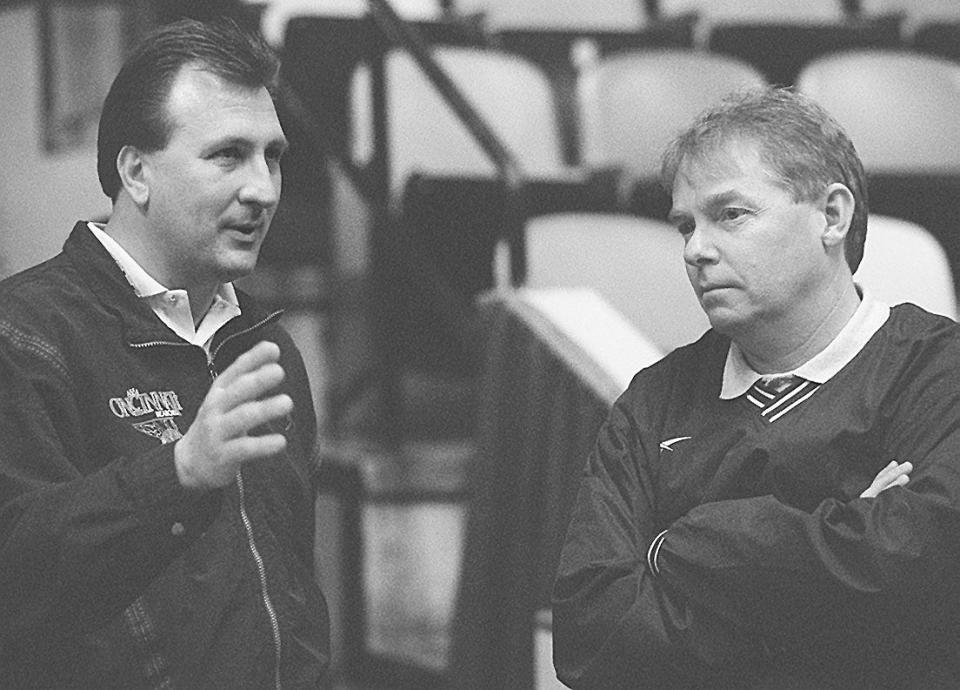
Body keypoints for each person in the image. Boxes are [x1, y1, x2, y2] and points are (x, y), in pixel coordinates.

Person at [552, 86, 960, 689]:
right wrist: (844, 542)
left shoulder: (938, 370)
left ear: (831, 216)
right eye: (685, 225)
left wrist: (681, 544)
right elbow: (592, 635)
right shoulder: (652, 403)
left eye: (730, 215)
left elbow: (925, 575)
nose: (696, 249)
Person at [0, 18, 329, 687]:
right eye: (228, 155)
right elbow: (19, 581)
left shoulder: (265, 346)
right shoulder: (24, 336)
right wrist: (178, 474)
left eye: (273, 157)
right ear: (136, 172)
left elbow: (294, 594)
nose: (263, 189)